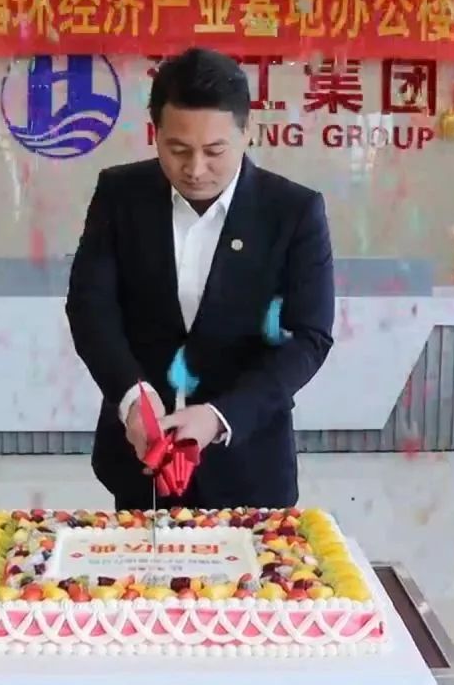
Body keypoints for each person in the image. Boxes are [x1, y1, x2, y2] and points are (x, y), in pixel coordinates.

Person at [65, 48, 334, 511]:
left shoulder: (292, 212)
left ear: (247, 133)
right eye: (177, 150)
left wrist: (219, 416)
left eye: (214, 151)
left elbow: (309, 336)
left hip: (249, 462)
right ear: (155, 133)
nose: (195, 169)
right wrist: (133, 397)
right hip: (141, 457)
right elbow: (91, 308)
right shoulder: (120, 195)